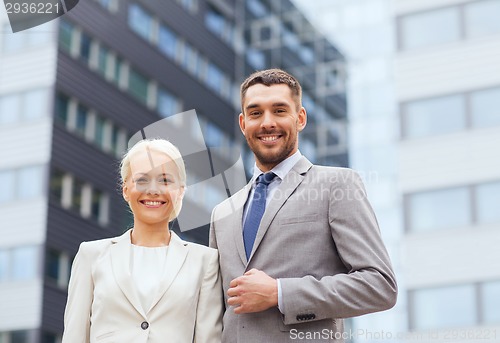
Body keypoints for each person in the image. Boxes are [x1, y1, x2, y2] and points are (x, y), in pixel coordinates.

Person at [209, 69, 397, 342]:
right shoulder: (222, 213)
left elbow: (380, 286)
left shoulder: (337, 185)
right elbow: (216, 313)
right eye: (256, 113)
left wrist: (280, 292)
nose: (267, 123)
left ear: (300, 118)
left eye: (279, 110)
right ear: (243, 123)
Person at [62, 138, 223, 343]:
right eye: (142, 180)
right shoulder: (91, 255)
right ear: (125, 189)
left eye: (165, 180)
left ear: (180, 191)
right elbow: (74, 336)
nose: (153, 190)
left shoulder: (205, 261)